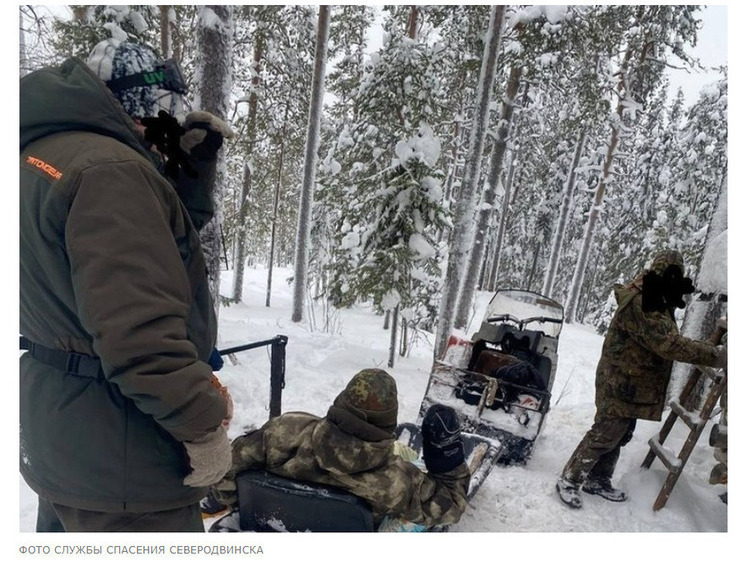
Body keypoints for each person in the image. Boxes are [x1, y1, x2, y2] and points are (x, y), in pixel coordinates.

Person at [20, 38, 234, 532]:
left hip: (65, 437)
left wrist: (190, 177)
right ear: (136, 104)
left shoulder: (41, 157)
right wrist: (201, 426)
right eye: (163, 109)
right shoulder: (111, 173)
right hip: (124, 459)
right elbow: (139, 333)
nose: (170, 122)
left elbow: (137, 251)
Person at [555, 250, 727, 509]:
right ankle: (570, 479)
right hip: (620, 380)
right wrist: (717, 355)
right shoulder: (644, 300)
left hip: (632, 381)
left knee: (620, 433)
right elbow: (668, 344)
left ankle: (599, 479)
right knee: (606, 432)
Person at [210, 369, 471, 530]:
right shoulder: (396, 482)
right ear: (389, 424)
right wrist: (445, 455)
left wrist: (251, 505)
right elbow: (451, 507)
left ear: (339, 404)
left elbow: (223, 473)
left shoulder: (283, 431)